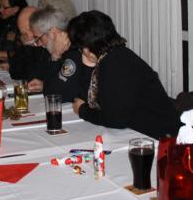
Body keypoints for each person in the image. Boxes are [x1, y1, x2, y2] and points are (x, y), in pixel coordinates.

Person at [68, 10, 179, 139]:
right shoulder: (110, 56)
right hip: (140, 131)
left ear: (87, 47)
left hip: (160, 137)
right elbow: (88, 100)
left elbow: (115, 119)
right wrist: (88, 66)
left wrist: (83, 111)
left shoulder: (116, 63)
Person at [29, 6, 92, 103]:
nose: (39, 43)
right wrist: (44, 84)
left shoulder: (74, 52)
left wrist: (55, 56)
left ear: (53, 32)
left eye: (38, 38)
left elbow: (53, 96)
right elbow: (37, 76)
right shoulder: (53, 49)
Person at [4, 5, 50, 83]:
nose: (25, 37)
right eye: (22, 33)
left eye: (26, 33)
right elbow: (15, 72)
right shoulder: (29, 45)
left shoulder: (50, 45)